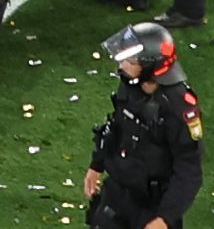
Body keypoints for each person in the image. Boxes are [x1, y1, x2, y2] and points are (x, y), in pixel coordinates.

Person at [79, 22, 203, 229]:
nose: (122, 66)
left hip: (152, 207)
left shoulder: (179, 108)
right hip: (116, 195)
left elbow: (189, 170)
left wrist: (165, 218)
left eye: (130, 60)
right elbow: (117, 125)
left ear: (150, 66)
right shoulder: (130, 85)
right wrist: (97, 164)